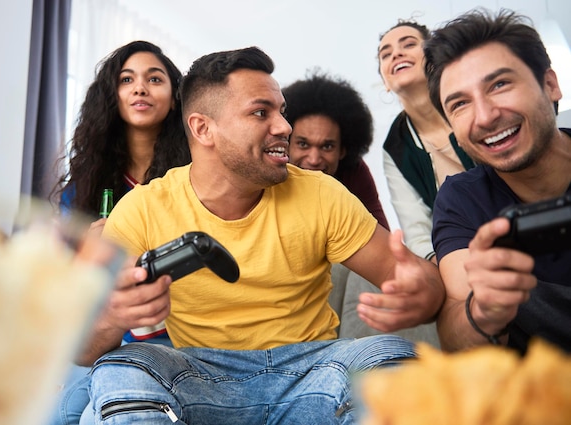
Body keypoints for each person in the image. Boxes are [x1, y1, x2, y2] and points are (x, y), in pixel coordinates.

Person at [80, 46, 445, 424]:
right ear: (203, 128)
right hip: (200, 375)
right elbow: (81, 347)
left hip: (313, 369)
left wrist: (425, 292)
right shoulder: (142, 208)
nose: (285, 127)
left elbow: (422, 283)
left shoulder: (322, 193)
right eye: (261, 113)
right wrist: (111, 316)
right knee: (123, 365)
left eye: (281, 111)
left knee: (391, 354)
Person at [48, 40, 190, 425]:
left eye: (154, 79)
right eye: (127, 80)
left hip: (178, 338)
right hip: (102, 338)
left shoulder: (197, 178)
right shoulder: (85, 185)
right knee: (55, 414)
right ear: (112, 96)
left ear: (176, 98)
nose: (140, 88)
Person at [423, 8, 571, 354]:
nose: (486, 117)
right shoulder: (460, 201)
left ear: (550, 84)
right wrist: (485, 310)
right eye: (460, 104)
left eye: (500, 84)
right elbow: (456, 336)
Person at [378, 19, 476, 262]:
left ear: (434, 59)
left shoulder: (474, 105)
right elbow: (417, 234)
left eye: (409, 44)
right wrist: (440, 268)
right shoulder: (395, 147)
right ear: (385, 83)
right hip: (461, 256)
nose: (396, 53)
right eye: (385, 54)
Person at [282, 71, 390, 229]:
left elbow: (383, 240)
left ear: (343, 150)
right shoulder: (269, 175)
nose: (314, 159)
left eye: (327, 146)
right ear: (286, 144)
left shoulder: (354, 173)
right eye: (303, 144)